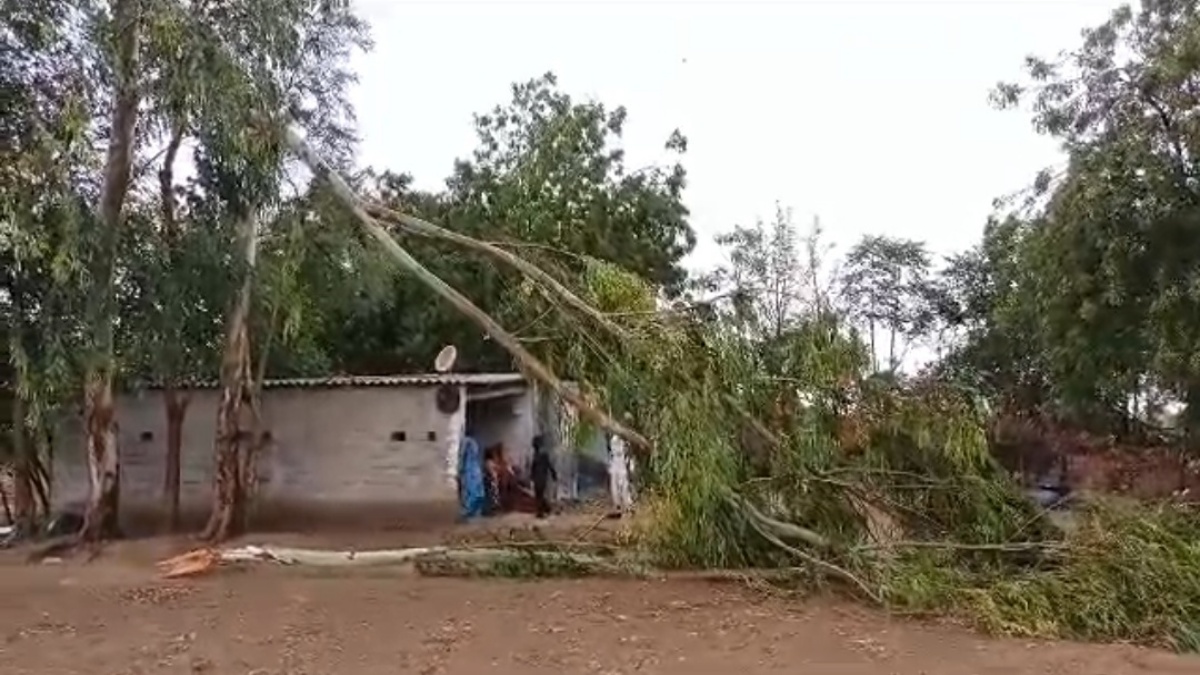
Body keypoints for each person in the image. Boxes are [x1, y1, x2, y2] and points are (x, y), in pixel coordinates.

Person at [457, 434, 486, 521]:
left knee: (476, 496)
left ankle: (472, 514)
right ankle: (468, 515)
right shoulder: (468, 463)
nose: (474, 450)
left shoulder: (474, 463)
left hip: (473, 480)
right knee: (471, 496)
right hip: (470, 480)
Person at [530, 434, 557, 519]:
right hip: (539, 477)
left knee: (539, 495)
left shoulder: (542, 455)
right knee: (539, 495)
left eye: (534, 445)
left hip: (541, 477)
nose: (534, 446)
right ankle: (546, 509)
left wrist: (553, 474)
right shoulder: (537, 455)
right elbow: (534, 467)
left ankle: (541, 511)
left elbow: (549, 465)